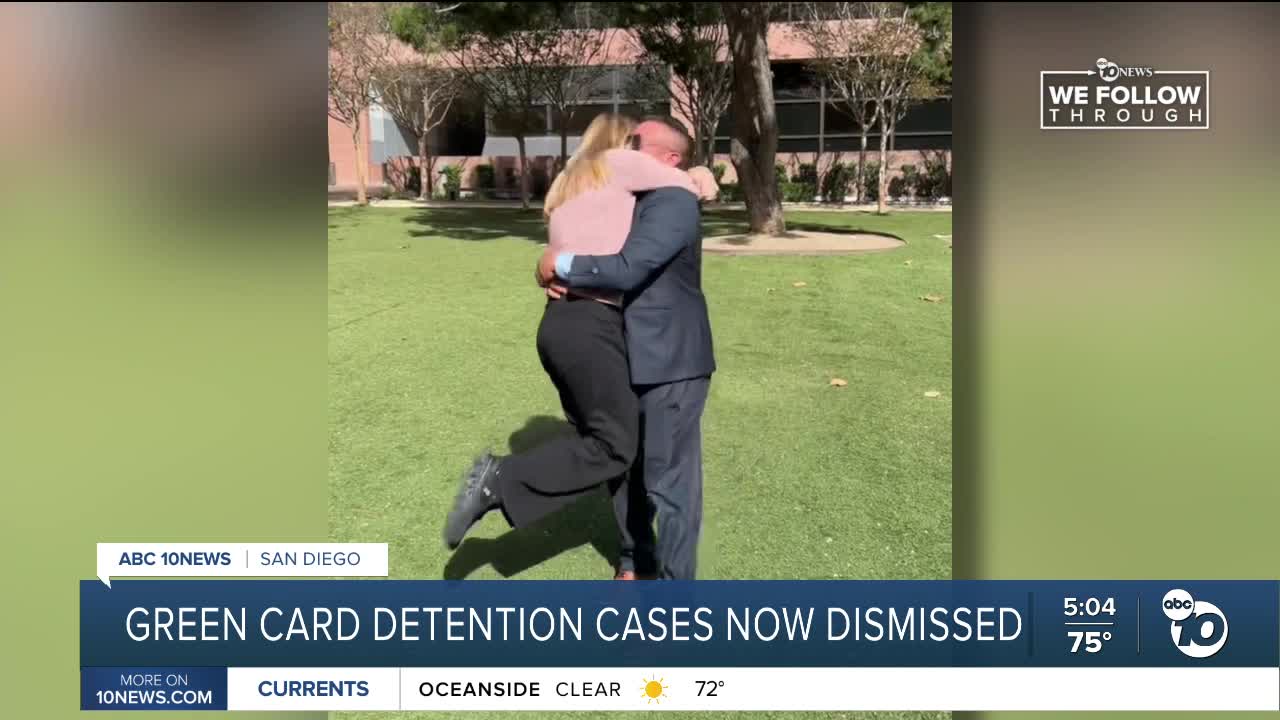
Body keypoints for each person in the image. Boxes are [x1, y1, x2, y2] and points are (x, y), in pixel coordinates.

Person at [443, 113, 718, 558]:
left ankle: (636, 561)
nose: (635, 149)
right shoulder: (621, 164)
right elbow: (685, 188)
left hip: (562, 325)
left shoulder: (571, 181)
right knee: (616, 446)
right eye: (632, 141)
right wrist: (701, 174)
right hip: (592, 326)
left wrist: (549, 267)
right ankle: (500, 479)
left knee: (608, 442)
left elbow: (575, 250)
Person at [537, 117, 716, 581]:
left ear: (670, 159)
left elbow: (630, 267)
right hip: (619, 351)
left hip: (669, 359)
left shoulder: (674, 200)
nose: (626, 149)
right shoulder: (622, 196)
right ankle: (634, 559)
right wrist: (550, 270)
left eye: (637, 142)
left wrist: (561, 265)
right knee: (621, 461)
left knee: (669, 481)